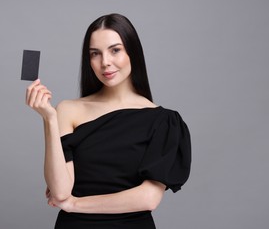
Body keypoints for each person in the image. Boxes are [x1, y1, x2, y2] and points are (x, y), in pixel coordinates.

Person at [25, 13, 191, 229]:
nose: (105, 62)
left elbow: (148, 198)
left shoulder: (164, 121)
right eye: (95, 53)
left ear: (132, 52)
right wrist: (49, 119)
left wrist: (75, 204)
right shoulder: (68, 110)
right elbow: (60, 191)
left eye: (115, 50)